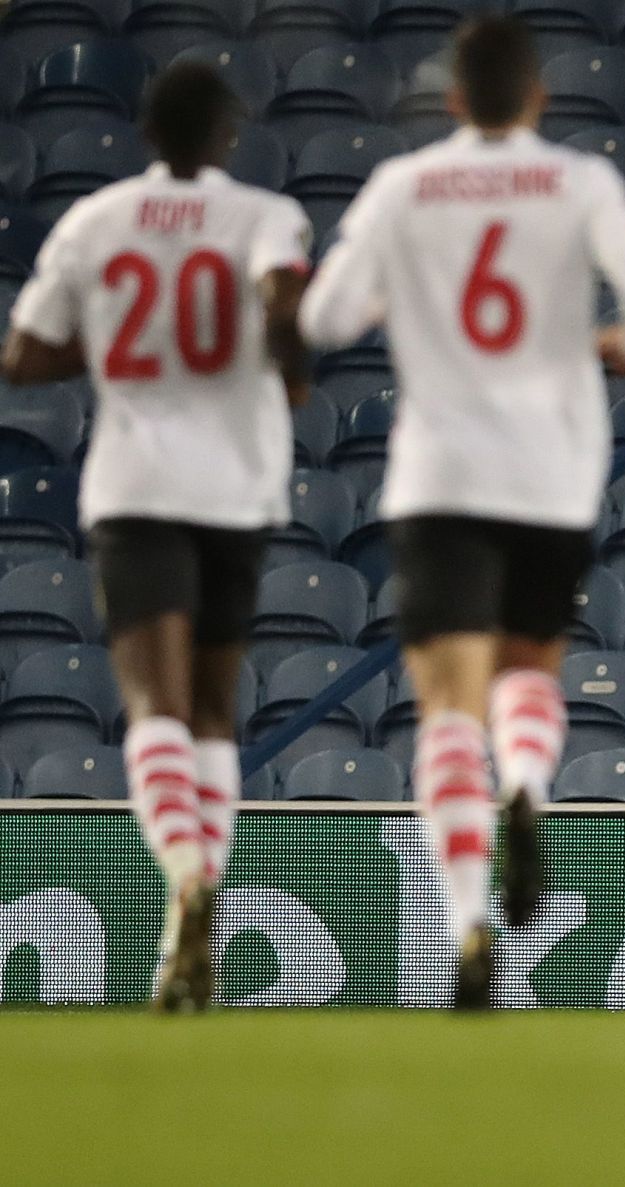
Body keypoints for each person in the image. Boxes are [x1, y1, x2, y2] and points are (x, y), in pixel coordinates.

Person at [297, 15, 625, 1008]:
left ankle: (469, 920)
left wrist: (394, 301)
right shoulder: (576, 181)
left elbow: (325, 318)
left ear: (455, 99)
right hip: (552, 470)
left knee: (446, 706)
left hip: (441, 473)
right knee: (526, 672)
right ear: (539, 96)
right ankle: (527, 785)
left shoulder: (405, 187)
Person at [1, 64, 312, 1012]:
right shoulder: (266, 215)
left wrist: (112, 340)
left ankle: (184, 870)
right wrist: (280, 357)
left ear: (145, 131)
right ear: (225, 134)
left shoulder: (94, 222)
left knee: (155, 707)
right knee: (216, 707)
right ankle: (199, 884)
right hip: (237, 490)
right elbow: (284, 304)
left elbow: (20, 355)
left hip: (135, 488)